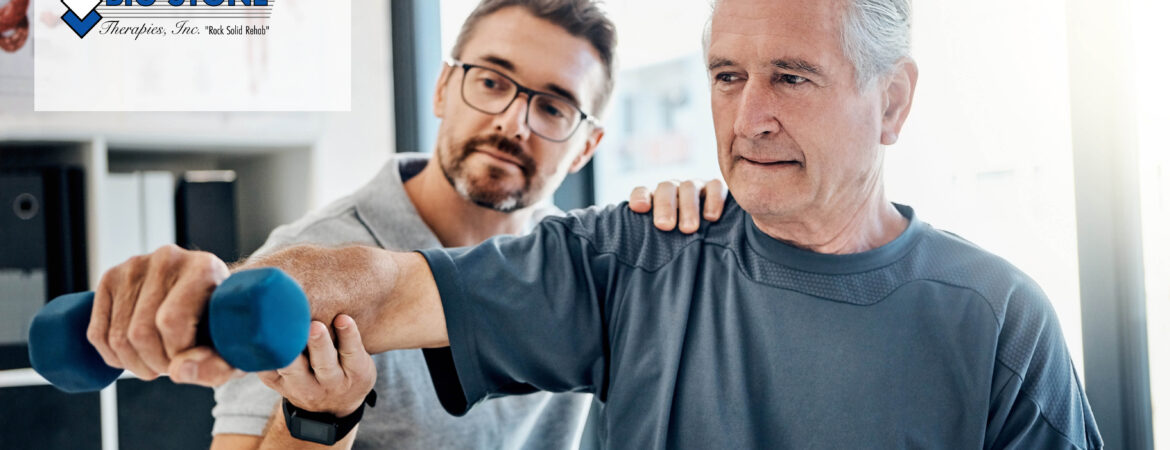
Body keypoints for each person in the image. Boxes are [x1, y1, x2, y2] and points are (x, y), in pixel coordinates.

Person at [86, 0, 1104, 448]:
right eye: (727, 76)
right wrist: (225, 293)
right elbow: (390, 284)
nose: (749, 117)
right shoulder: (633, 255)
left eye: (792, 78)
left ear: (893, 102)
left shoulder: (996, 319)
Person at [135, 1, 723, 449]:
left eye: (552, 107)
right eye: (491, 81)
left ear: (586, 148)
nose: (513, 122)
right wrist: (319, 419)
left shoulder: (584, 266)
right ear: (443, 88)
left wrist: (698, 229)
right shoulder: (311, 263)